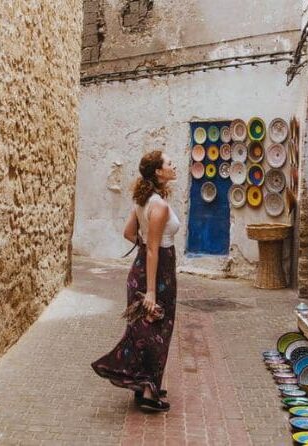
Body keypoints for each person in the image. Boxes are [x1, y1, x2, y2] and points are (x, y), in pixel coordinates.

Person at [91, 150, 179, 412]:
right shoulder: (159, 206)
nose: (173, 165)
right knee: (157, 329)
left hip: (139, 269)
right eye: (168, 163)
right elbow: (154, 249)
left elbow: (129, 233)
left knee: (144, 330)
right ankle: (150, 394)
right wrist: (151, 291)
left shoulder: (143, 201)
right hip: (157, 270)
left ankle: (144, 386)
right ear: (158, 172)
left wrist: (143, 246)